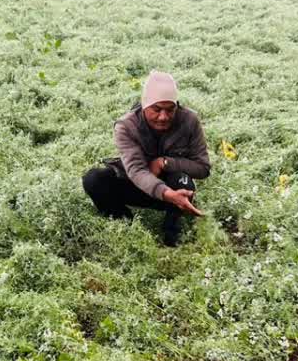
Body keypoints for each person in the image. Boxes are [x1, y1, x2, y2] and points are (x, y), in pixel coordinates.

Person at [82, 71, 210, 246]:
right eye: (156, 109)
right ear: (144, 105)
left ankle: (172, 239)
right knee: (93, 179)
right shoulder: (126, 126)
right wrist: (167, 194)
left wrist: (165, 163)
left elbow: (203, 167)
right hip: (137, 184)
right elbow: (136, 170)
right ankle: (125, 226)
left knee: (184, 182)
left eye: (170, 109)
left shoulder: (189, 120)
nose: (163, 117)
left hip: (173, 187)